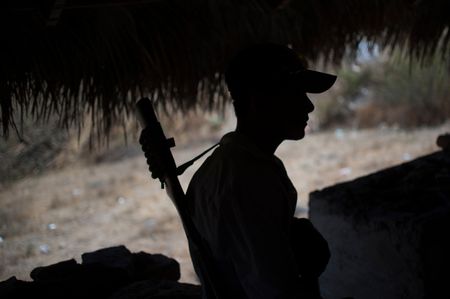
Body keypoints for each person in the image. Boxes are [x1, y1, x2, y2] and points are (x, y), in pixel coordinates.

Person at [140, 43, 336, 298]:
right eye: (296, 94)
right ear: (259, 101)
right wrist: (309, 273)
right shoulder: (249, 181)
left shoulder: (227, 166)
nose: (309, 106)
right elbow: (276, 291)